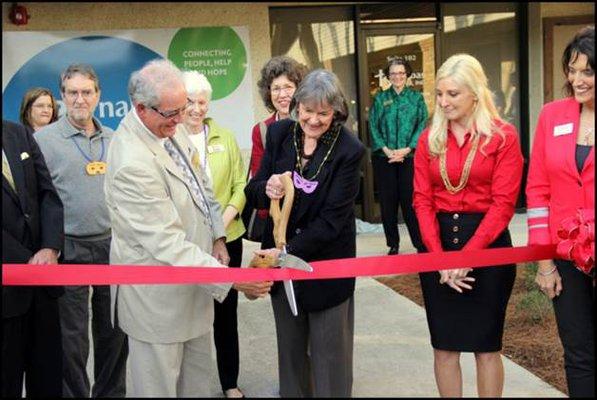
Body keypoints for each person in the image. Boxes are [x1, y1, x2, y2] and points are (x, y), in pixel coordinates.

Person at [104, 59, 272, 397]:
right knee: (158, 389)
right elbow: (165, 242)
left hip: (194, 290)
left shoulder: (169, 122)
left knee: (196, 385)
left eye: (184, 108)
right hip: (158, 305)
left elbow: (202, 186)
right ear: (142, 108)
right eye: (173, 113)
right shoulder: (132, 162)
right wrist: (232, 278)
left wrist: (217, 235)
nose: (182, 119)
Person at [245, 69, 365, 397]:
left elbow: (332, 221)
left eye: (323, 113)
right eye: (307, 111)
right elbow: (253, 190)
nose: (313, 120)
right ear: (297, 106)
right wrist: (265, 187)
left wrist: (287, 252)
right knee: (291, 353)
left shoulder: (348, 149)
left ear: (337, 112)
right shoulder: (281, 134)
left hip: (325, 268)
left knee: (330, 359)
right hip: (282, 267)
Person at [413, 54, 523, 397]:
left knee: (486, 347)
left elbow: (504, 205)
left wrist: (467, 257)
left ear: (475, 93)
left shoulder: (504, 137)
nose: (444, 102)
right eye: (440, 94)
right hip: (438, 247)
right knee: (444, 346)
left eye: (453, 94)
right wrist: (441, 258)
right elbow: (422, 200)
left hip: (488, 249)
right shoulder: (429, 138)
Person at [34, 64, 127, 398]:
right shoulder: (43, 141)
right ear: (62, 96)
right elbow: (37, 198)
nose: (79, 99)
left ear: (98, 95)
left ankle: (110, 394)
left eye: (87, 92)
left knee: (115, 333)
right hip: (67, 248)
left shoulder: (115, 139)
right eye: (72, 92)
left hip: (111, 247)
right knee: (71, 340)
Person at [526, 26, 594, 398]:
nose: (577, 80)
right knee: (578, 353)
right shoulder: (552, 115)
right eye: (572, 70)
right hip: (566, 257)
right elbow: (537, 188)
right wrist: (543, 260)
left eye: (588, 71)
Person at [180, 70, 248, 399]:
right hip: (187, 242)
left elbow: (240, 186)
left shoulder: (225, 137)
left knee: (225, 316)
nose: (195, 108)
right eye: (189, 101)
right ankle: (188, 383)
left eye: (201, 101)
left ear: (209, 103)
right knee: (188, 314)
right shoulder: (170, 139)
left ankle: (229, 382)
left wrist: (222, 223)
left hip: (228, 237)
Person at [2, 120, 64, 397]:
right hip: (6, 293)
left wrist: (50, 247)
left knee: (48, 378)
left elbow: (47, 194)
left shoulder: (17, 133)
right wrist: (27, 260)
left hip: (43, 284)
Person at [369, 58, 428, 255]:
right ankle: (392, 244)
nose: (397, 77)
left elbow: (422, 124)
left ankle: (419, 242)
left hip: (409, 158)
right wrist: (386, 150)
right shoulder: (380, 98)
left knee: (410, 202)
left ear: (407, 74)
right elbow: (373, 126)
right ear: (388, 76)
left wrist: (407, 149)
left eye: (401, 73)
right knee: (388, 203)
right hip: (384, 158)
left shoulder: (416, 98)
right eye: (393, 73)